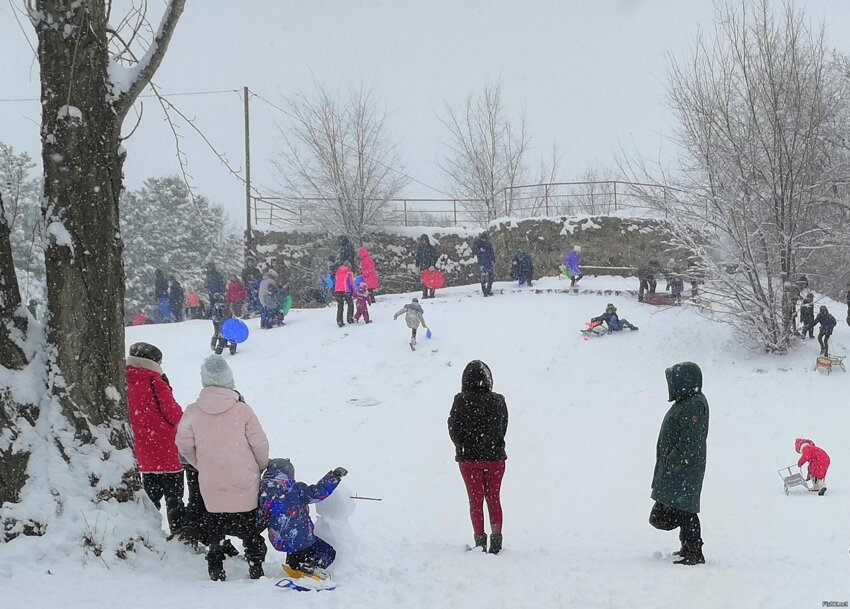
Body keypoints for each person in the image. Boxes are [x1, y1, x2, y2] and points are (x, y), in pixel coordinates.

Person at [176, 355, 270, 581]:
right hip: (244, 480)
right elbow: (260, 444)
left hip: (211, 482)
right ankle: (255, 564)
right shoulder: (242, 410)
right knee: (249, 528)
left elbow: (183, 445)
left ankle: (216, 565)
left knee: (216, 526)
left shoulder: (192, 412)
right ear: (229, 379)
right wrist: (259, 468)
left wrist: (202, 464)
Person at [650, 361, 709, 566]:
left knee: (685, 510)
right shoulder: (686, 402)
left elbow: (690, 441)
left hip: (685, 468)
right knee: (682, 508)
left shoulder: (693, 404)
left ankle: (693, 551)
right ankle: (688, 547)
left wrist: (674, 459)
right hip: (680, 467)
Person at [448, 360, 508, 555]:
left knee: (475, 500)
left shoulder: (460, 401)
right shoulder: (498, 400)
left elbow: (453, 428)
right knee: (494, 499)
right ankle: (496, 542)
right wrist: (492, 444)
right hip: (495, 458)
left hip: (469, 459)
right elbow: (503, 428)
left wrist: (463, 447)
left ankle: (480, 542)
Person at [125, 342, 186, 535]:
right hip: (166, 448)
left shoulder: (123, 380)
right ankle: (178, 534)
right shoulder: (154, 381)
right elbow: (173, 414)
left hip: (142, 449)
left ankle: (149, 533)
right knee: (174, 497)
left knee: (150, 496)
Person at [258, 458, 348, 578]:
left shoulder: (262, 495)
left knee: (294, 545)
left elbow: (259, 518)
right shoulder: (296, 489)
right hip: (301, 537)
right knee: (328, 551)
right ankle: (312, 565)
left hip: (280, 541)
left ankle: (294, 564)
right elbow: (318, 492)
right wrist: (334, 477)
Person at [415, 234, 440, 299]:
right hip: (423, 268)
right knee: (424, 282)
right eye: (422, 240)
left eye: (424, 240)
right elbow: (417, 258)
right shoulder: (420, 249)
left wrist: (432, 265)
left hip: (430, 268)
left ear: (427, 240)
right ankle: (424, 294)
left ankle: (432, 294)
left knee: (431, 281)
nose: (423, 241)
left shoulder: (431, 248)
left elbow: (435, 257)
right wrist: (417, 266)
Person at [472, 233, 496, 297]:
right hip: (483, 263)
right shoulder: (478, 244)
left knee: (490, 276)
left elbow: (492, 252)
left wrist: (493, 259)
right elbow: (474, 251)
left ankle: (488, 290)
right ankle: (485, 291)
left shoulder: (488, 244)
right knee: (484, 278)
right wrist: (479, 251)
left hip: (488, 262)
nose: (484, 240)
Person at [334, 260, 355, 328]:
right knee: (350, 304)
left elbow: (336, 281)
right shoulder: (349, 272)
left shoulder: (337, 272)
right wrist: (353, 291)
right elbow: (351, 283)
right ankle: (349, 318)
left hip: (337, 290)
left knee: (340, 306)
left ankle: (339, 321)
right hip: (346, 290)